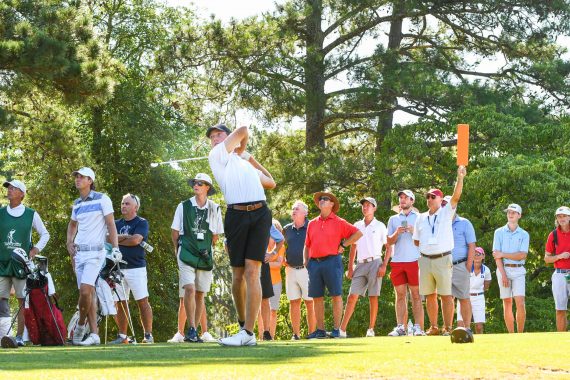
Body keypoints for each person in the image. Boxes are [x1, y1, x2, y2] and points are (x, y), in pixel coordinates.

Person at [208, 124, 275, 346]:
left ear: (228, 137)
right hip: (236, 215)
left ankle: (248, 333)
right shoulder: (216, 155)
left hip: (260, 213)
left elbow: (270, 182)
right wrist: (239, 146)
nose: (215, 139)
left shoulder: (245, 165)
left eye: (219, 135)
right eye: (212, 137)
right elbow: (243, 130)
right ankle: (242, 323)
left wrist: (247, 156)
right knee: (238, 275)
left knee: (252, 271)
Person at [66, 167, 121, 346]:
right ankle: (95, 335)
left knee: (85, 290)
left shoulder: (102, 199)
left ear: (90, 180)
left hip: (96, 253)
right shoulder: (77, 204)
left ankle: (81, 325)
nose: (78, 179)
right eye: (77, 177)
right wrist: (69, 242)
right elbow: (72, 225)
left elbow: (111, 224)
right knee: (88, 294)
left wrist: (115, 248)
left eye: (82, 177)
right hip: (79, 254)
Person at [412, 166, 466, 336]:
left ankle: (448, 328)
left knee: (446, 295)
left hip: (443, 258)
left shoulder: (446, 212)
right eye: (427, 196)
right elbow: (416, 239)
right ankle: (434, 326)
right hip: (425, 259)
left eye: (432, 196)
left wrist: (460, 178)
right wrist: (427, 247)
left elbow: (456, 196)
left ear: (440, 199)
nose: (429, 199)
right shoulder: (420, 217)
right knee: (429, 295)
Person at [171, 173, 223, 343]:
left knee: (201, 293)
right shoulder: (183, 206)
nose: (196, 185)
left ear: (207, 187)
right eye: (195, 182)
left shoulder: (215, 208)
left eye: (201, 183)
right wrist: (177, 251)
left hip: (205, 255)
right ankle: (192, 329)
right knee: (190, 289)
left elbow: (215, 236)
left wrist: (205, 248)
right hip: (185, 253)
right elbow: (175, 232)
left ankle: (195, 330)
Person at [304, 191, 363, 339]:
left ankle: (337, 330)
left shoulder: (339, 222)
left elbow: (358, 233)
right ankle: (320, 330)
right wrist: (306, 261)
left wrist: (344, 244)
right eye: (320, 199)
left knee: (336, 295)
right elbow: (307, 245)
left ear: (331, 204)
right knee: (317, 297)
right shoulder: (312, 223)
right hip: (315, 264)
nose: (321, 201)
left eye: (325, 199)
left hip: (332, 261)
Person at [0, 180, 50, 346]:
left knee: (22, 300)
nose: (9, 190)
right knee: (1, 299)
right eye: (9, 188)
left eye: (13, 188)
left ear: (22, 194)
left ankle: (20, 337)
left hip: (21, 265)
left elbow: (45, 234)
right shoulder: (1, 212)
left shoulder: (30, 214)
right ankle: (3, 336)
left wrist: (35, 250)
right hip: (2, 263)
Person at [339, 197, 391, 338]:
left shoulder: (380, 226)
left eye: (369, 205)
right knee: (352, 296)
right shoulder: (357, 225)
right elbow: (353, 247)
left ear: (374, 208)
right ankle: (342, 330)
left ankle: (371, 329)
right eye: (364, 205)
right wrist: (350, 267)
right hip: (360, 264)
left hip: (376, 262)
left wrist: (384, 265)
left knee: (373, 297)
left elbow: (388, 247)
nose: (365, 207)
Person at [110, 193, 153, 344]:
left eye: (127, 204)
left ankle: (148, 335)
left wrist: (118, 239)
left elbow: (136, 240)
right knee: (120, 303)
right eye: (122, 203)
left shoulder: (141, 222)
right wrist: (125, 238)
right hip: (117, 268)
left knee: (142, 301)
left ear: (135, 207)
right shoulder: (115, 223)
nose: (123, 206)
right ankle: (123, 337)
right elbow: (107, 239)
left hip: (136, 267)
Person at [386, 190, 424, 336]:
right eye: (400, 198)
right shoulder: (393, 219)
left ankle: (418, 327)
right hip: (397, 261)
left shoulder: (420, 218)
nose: (402, 200)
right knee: (400, 295)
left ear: (412, 201)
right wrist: (397, 233)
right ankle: (401, 327)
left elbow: (425, 239)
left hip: (415, 260)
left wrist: (414, 231)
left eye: (405, 198)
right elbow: (388, 241)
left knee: (416, 295)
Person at [492, 203, 529, 333]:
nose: (510, 214)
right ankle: (511, 335)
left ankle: (520, 334)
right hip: (503, 269)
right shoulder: (498, 232)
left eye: (513, 212)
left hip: (519, 270)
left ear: (519, 215)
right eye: (509, 212)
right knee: (507, 302)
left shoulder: (524, 234)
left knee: (520, 301)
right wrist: (503, 275)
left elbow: (522, 255)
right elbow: (497, 256)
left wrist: (504, 254)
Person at [441, 195, 476, 331]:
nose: (446, 207)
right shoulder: (439, 222)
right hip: (443, 265)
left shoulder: (465, 223)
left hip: (460, 265)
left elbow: (472, 245)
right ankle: (448, 328)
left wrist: (468, 265)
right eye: (444, 204)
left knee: (464, 297)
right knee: (446, 298)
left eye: (448, 204)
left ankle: (467, 328)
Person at [283, 201, 315, 340]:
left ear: (305, 213)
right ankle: (295, 335)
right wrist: (281, 256)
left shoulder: (311, 227)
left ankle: (312, 333)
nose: (294, 211)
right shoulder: (286, 229)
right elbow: (281, 245)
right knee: (294, 302)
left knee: (310, 302)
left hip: (307, 270)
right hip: (290, 270)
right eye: (293, 209)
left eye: (297, 209)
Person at [544, 206, 570, 332]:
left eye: (564, 216)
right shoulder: (553, 235)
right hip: (559, 274)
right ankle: (561, 338)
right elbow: (547, 259)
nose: (562, 218)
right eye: (559, 216)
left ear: (569, 217)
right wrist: (559, 256)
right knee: (560, 309)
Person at [257, 223, 283, 340]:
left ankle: (266, 332)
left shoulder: (264, 219)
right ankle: (245, 330)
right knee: (246, 299)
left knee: (265, 298)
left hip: (262, 264)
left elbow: (281, 239)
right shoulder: (241, 215)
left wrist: (272, 253)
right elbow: (227, 241)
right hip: (246, 264)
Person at [457, 247, 491, 333]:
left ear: (483, 256)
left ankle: (479, 344)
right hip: (464, 296)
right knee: (461, 324)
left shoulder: (486, 270)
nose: (476, 256)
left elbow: (486, 286)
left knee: (479, 326)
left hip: (478, 297)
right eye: (474, 254)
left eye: (478, 254)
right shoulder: (466, 267)